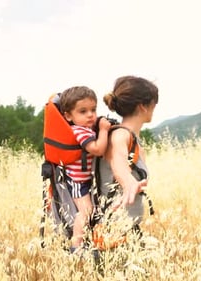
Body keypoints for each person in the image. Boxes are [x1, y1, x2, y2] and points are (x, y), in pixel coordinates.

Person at [98, 75, 159, 233]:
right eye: (154, 103)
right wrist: (127, 182)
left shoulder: (131, 138)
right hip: (112, 229)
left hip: (127, 228)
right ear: (143, 106)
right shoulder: (120, 135)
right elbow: (117, 160)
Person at [58, 86, 111, 252]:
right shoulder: (78, 131)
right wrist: (103, 130)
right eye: (83, 111)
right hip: (78, 181)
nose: (90, 115)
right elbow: (98, 149)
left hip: (86, 180)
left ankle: (87, 241)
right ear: (68, 115)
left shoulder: (86, 129)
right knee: (86, 211)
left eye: (93, 110)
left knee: (92, 211)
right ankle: (76, 246)